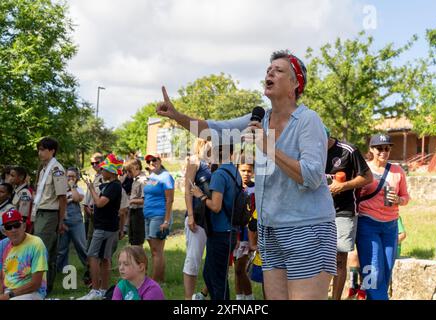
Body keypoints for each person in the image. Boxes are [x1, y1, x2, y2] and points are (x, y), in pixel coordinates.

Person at [157, 49, 337, 299]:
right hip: (270, 229)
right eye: (268, 70)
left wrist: (268, 147)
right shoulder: (261, 118)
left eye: (278, 70)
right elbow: (214, 130)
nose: (269, 72)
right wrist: (178, 117)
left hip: (307, 229)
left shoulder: (308, 120)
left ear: (295, 83)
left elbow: (312, 176)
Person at [356, 133, 410, 300]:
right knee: (373, 269)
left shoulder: (397, 171)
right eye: (379, 148)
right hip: (367, 224)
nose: (383, 151)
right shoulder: (363, 168)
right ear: (371, 149)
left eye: (387, 148)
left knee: (386, 270)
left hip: (390, 226)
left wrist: (399, 199)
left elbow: (406, 197)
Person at [325, 129, 373, 300]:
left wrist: (343, 186)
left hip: (343, 212)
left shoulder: (348, 150)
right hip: (317, 213)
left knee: (339, 258)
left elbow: (368, 177)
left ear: (327, 137)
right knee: (318, 259)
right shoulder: (309, 150)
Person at [190, 142, 241, 300]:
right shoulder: (234, 171)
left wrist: (200, 195)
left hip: (220, 233)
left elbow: (216, 206)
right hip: (230, 231)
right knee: (212, 275)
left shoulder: (220, 174)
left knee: (216, 279)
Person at [78, 154, 124, 300]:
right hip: (105, 226)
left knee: (93, 256)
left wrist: (91, 188)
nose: (101, 170)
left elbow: (100, 203)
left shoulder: (114, 186)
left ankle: (96, 290)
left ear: (111, 171)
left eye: (103, 168)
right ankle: (103, 290)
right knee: (104, 258)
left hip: (104, 228)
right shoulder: (110, 185)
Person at [32, 137, 67, 294]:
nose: (40, 152)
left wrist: (61, 220)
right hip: (40, 212)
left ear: (52, 151)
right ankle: (45, 286)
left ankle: (42, 287)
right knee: (45, 251)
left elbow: (62, 197)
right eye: (39, 149)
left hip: (50, 214)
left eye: (43, 149)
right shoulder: (44, 169)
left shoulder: (56, 169)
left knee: (42, 251)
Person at [183, 138, 212, 300]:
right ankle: (188, 299)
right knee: (193, 259)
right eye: (208, 139)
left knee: (213, 259)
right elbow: (187, 189)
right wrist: (191, 215)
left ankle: (202, 293)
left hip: (213, 217)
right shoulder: (195, 161)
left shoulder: (215, 162)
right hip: (198, 217)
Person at [0, 209, 48, 300]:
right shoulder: (2, 245)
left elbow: (36, 283)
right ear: (5, 231)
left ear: (24, 226)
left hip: (33, 292)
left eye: (16, 225)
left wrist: (7, 296)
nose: (13, 230)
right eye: (8, 227)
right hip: (8, 292)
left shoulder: (36, 243)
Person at [143, 154, 174, 283]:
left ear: (160, 161)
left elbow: (170, 199)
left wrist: (166, 221)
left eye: (154, 160)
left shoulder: (166, 177)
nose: (152, 162)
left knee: (157, 252)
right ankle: (160, 280)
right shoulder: (152, 176)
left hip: (159, 216)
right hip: (148, 216)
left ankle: (154, 284)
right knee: (155, 251)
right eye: (149, 161)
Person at [56, 167, 88, 272]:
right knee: (62, 248)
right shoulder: (60, 190)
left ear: (76, 178)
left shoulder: (78, 189)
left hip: (76, 222)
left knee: (81, 246)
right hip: (63, 221)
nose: (70, 178)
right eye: (68, 176)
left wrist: (72, 186)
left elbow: (76, 198)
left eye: (73, 176)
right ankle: (60, 269)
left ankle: (89, 267)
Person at [233, 161, 255, 300]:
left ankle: (249, 297)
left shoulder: (255, 188)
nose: (246, 174)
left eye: (249, 171)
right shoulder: (234, 186)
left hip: (248, 232)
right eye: (243, 170)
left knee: (240, 269)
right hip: (235, 230)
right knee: (237, 270)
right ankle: (239, 297)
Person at [83, 153, 104, 249]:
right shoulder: (94, 176)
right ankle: (89, 261)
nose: (94, 165)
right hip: (89, 210)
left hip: (98, 211)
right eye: (92, 163)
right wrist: (85, 206)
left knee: (96, 239)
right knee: (89, 236)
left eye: (97, 162)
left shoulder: (104, 177)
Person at [124, 158, 146, 246]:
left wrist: (131, 201)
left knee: (137, 241)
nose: (128, 174)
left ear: (136, 167)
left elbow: (145, 200)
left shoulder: (143, 180)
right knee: (132, 240)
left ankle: (138, 258)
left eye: (129, 171)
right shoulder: (135, 180)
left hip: (139, 213)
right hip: (133, 211)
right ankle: (134, 258)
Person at [9, 166, 33, 233]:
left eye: (12, 176)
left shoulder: (24, 193)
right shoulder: (16, 190)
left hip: (16, 227)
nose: (10, 178)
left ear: (21, 177)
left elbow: (23, 216)